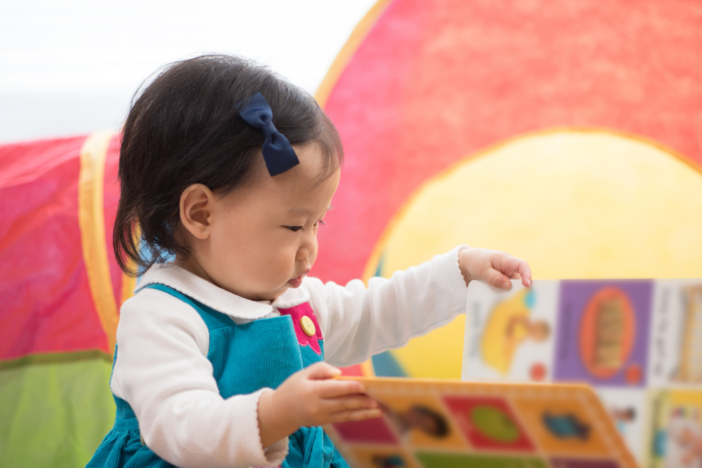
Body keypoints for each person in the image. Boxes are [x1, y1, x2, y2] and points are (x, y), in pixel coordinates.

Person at [87, 55, 532, 468]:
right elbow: (184, 429)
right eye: (294, 227)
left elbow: (376, 312)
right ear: (202, 213)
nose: (310, 248)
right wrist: (277, 413)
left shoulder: (293, 302)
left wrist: (462, 273)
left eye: (319, 223)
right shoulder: (161, 316)